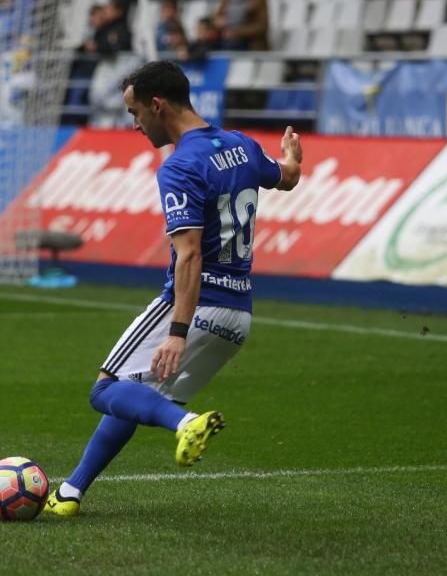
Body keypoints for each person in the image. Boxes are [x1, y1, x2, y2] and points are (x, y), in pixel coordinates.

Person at [45, 61, 302, 516]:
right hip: (237, 314)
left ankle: (186, 424)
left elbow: (189, 255)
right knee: (138, 397)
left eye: (135, 112)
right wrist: (294, 159)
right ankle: (70, 493)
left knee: (105, 391)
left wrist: (178, 331)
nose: (135, 124)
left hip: (193, 306)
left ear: (157, 105)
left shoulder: (180, 166)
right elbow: (285, 177)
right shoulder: (241, 145)